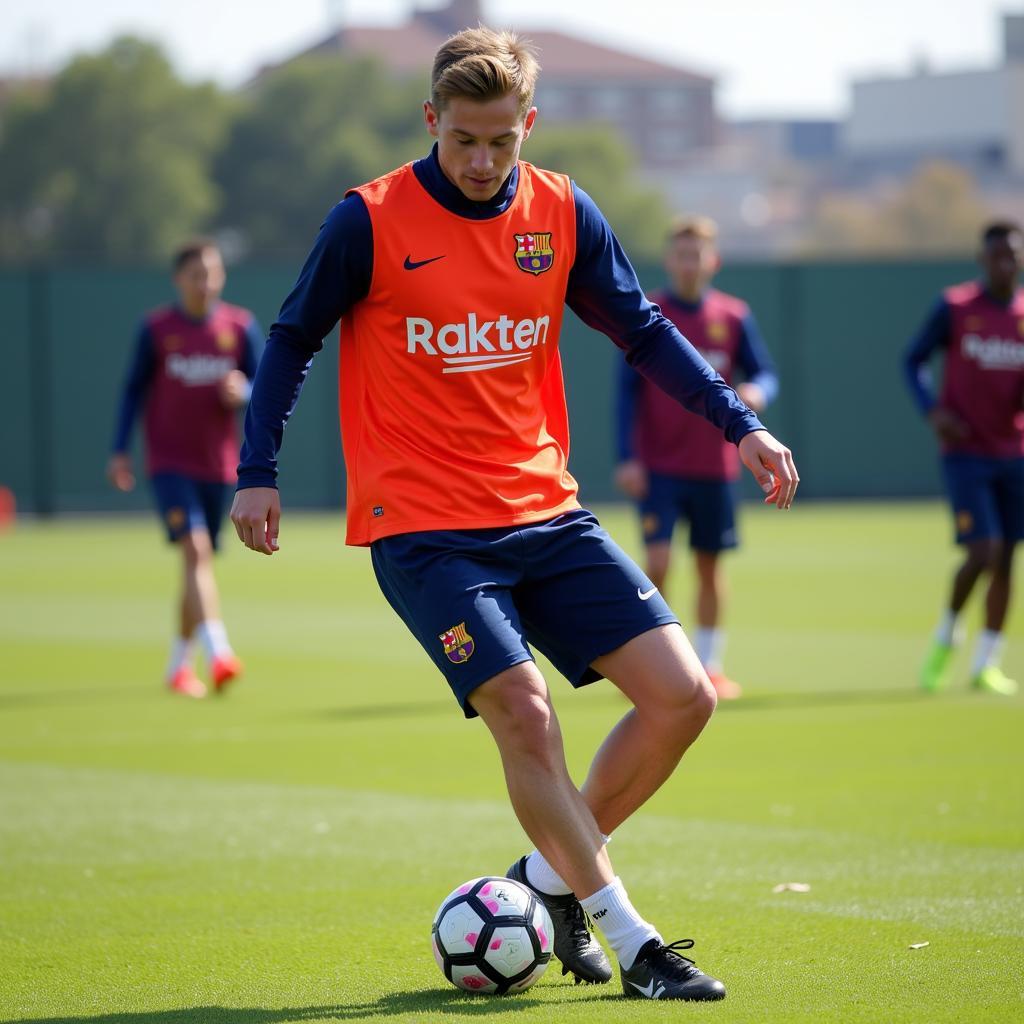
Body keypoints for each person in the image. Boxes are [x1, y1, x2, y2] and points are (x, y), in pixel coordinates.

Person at [230, 27, 798, 1001]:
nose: (484, 162)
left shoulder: (562, 211)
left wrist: (737, 424)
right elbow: (288, 338)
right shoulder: (366, 220)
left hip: (544, 508)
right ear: (431, 123)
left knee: (682, 697)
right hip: (422, 526)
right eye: (464, 142)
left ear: (528, 125)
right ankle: (639, 944)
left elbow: (643, 329)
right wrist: (256, 466)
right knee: (526, 716)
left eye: (502, 141)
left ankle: (547, 881)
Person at [614, 216, 778, 700]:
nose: (690, 263)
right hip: (660, 467)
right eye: (682, 253)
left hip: (715, 467)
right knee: (659, 561)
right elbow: (626, 394)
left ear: (713, 261)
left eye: (698, 254)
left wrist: (758, 392)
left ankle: (709, 666)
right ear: (670, 260)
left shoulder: (733, 315)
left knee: (710, 566)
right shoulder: (649, 314)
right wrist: (628, 457)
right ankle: (655, 666)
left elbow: (766, 373)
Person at [108, 239, 261, 699]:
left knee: (199, 565)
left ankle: (179, 666)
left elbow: (265, 385)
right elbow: (132, 390)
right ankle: (220, 653)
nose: (206, 282)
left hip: (220, 467)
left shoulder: (239, 326)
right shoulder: (157, 329)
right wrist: (119, 451)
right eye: (196, 274)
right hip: (170, 463)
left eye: (212, 273)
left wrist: (245, 391)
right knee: (196, 553)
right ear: (179, 279)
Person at [905, 220, 1024, 697]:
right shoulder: (955, 307)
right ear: (983, 259)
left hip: (1014, 450)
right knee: (983, 549)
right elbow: (911, 359)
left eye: (1012, 254)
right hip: (966, 451)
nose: (1005, 262)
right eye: (997, 254)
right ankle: (946, 637)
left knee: (1008, 557)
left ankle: (986, 663)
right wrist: (933, 411)